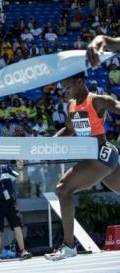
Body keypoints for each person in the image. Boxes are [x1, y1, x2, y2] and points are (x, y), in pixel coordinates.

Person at [45, 72, 120, 261]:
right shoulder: (71, 105)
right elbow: (70, 129)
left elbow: (117, 106)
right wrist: (48, 144)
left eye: (68, 87)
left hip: (102, 155)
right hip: (95, 159)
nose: (65, 91)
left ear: (80, 82)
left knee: (63, 189)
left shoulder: (97, 101)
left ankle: (69, 246)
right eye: (64, 87)